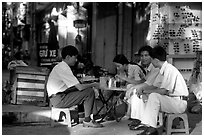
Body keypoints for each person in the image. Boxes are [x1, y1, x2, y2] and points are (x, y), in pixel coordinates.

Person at [135, 46, 189, 135]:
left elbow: (164, 91)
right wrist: (143, 90)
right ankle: (149, 125)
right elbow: (155, 87)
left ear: (155, 60)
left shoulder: (169, 70)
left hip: (179, 103)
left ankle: (151, 127)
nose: (151, 62)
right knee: (151, 96)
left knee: (154, 96)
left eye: (151, 60)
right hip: (173, 100)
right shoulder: (163, 70)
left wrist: (145, 91)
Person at [46, 45, 103, 128]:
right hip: (59, 99)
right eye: (75, 58)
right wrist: (93, 84)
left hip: (57, 97)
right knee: (89, 91)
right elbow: (79, 87)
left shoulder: (61, 66)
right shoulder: (64, 68)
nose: (76, 60)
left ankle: (93, 116)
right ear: (68, 57)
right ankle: (88, 120)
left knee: (87, 90)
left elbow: (74, 85)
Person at [127, 46, 162, 128]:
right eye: (142, 56)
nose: (143, 58)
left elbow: (148, 83)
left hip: (158, 91)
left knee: (137, 91)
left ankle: (142, 121)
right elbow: (144, 81)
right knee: (135, 90)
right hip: (152, 89)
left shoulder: (155, 67)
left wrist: (134, 88)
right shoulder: (148, 67)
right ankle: (138, 118)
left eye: (146, 55)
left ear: (152, 56)